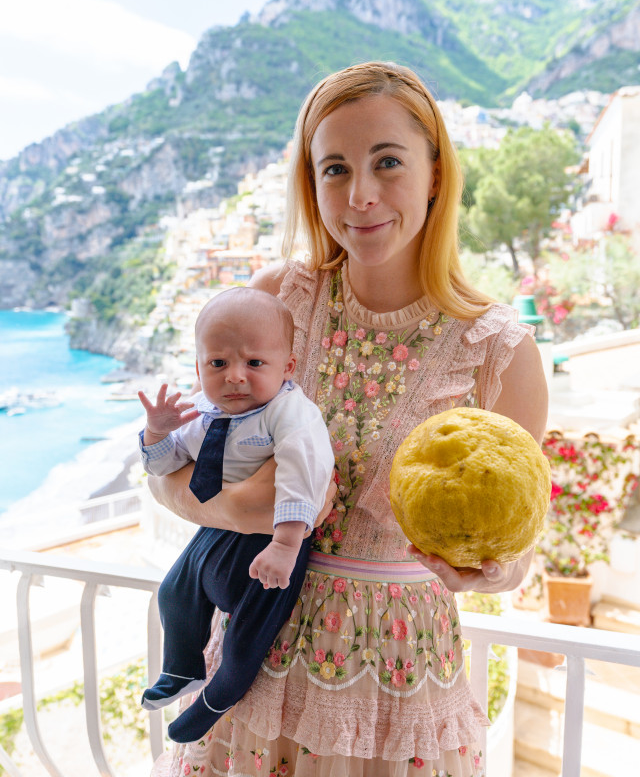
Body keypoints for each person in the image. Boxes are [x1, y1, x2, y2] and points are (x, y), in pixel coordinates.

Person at [148, 61, 548, 776]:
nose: (360, 196)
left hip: (400, 687)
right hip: (255, 669)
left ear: (433, 173)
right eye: (334, 169)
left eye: (386, 162)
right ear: (312, 183)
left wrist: (477, 570)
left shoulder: (501, 351)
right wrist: (237, 510)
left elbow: (515, 555)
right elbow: (187, 464)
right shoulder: (279, 300)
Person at [138, 287, 335, 743]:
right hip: (217, 529)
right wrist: (157, 432)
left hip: (273, 537)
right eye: (218, 363)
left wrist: (286, 544)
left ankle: (218, 697)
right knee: (172, 593)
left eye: (254, 363)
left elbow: (305, 475)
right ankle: (182, 669)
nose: (235, 378)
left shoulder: (289, 413)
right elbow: (166, 467)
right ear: (199, 368)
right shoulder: (201, 411)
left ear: (287, 368)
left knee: (248, 635)